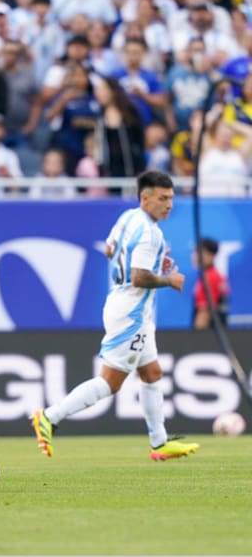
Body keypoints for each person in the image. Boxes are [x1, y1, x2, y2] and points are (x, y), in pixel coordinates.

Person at [31, 171, 200, 462]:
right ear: (145, 198)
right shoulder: (150, 233)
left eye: (171, 198)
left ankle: (159, 443)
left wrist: (154, 260)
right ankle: (49, 416)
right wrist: (168, 280)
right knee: (110, 382)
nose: (169, 205)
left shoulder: (128, 218)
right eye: (162, 199)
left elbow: (111, 250)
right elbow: (139, 277)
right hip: (132, 312)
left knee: (152, 372)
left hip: (124, 306)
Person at [192, 237, 229, 330]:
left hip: (209, 337)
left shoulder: (209, 278)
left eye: (199, 252)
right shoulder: (216, 276)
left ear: (211, 255)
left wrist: (195, 339)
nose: (194, 256)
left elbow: (204, 312)